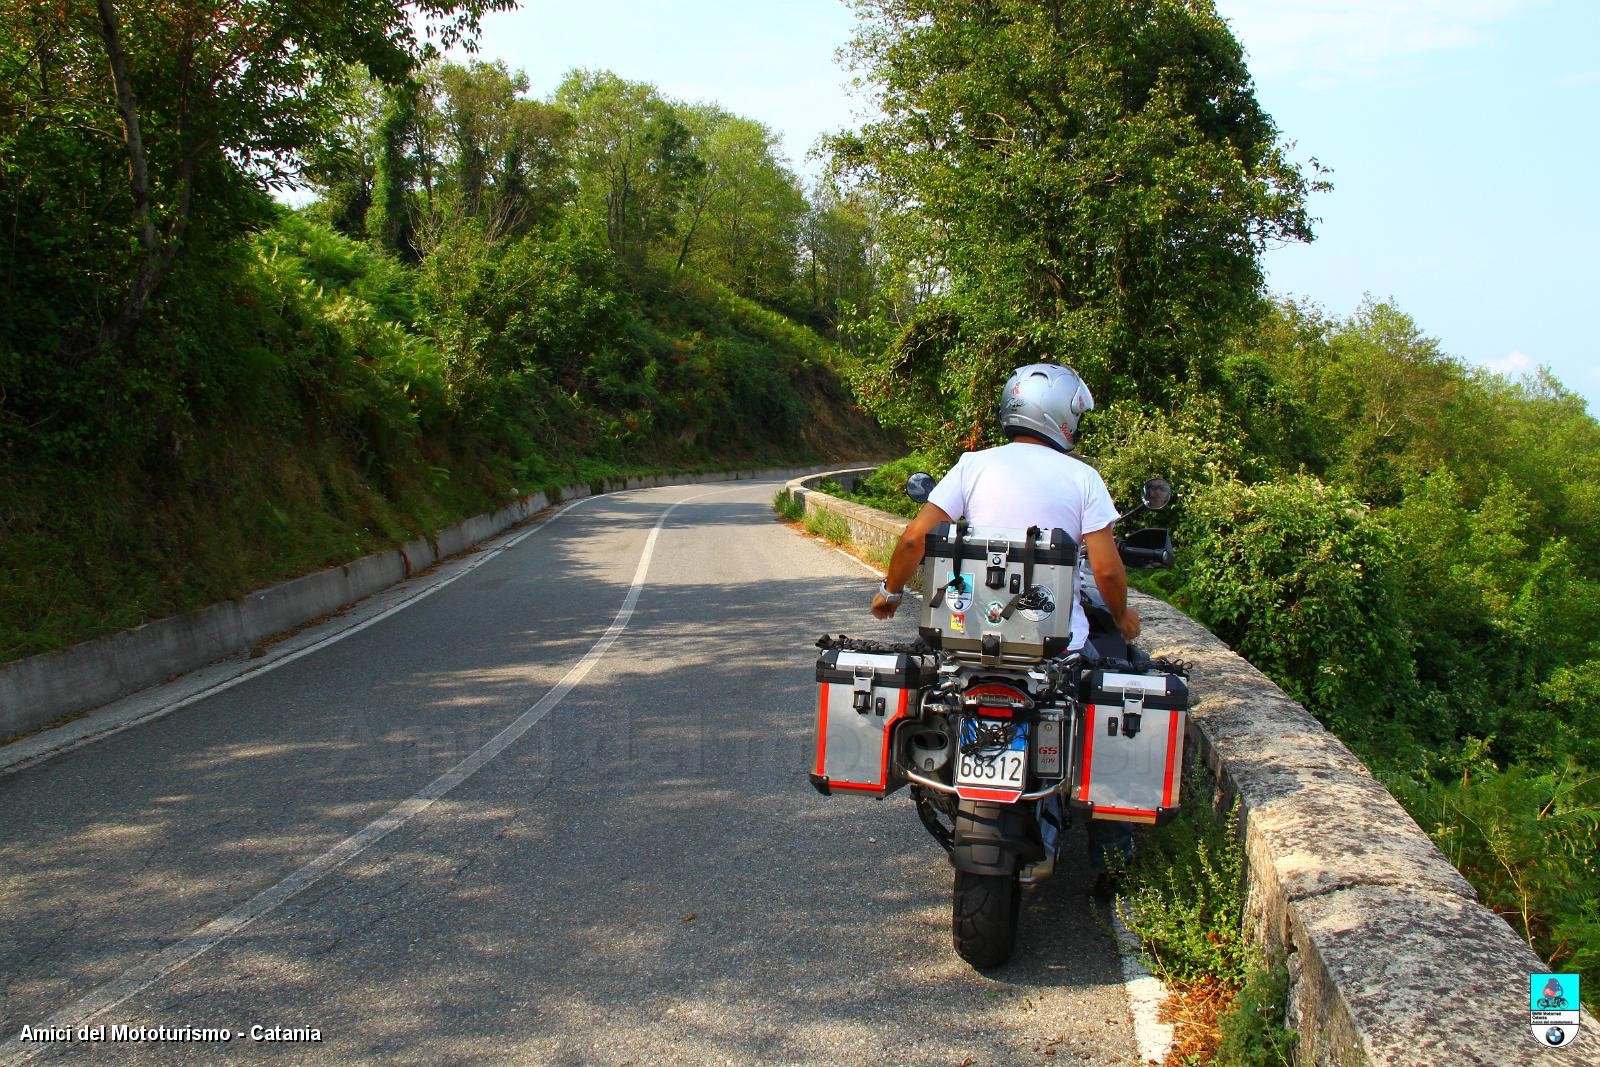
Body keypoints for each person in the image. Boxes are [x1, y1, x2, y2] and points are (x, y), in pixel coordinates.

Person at [867, 362, 1138, 896]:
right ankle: (1115, 855)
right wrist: (1125, 618)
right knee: (1113, 711)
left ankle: (950, 785)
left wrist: (890, 593)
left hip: (969, 639)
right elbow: (1105, 570)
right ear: (1062, 418)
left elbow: (913, 541)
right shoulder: (1083, 477)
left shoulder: (973, 466)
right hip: (1056, 648)